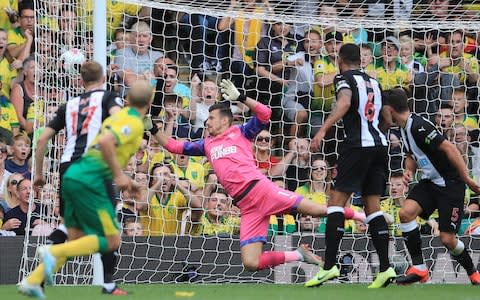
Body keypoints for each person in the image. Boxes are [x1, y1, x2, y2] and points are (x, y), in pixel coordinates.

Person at [146, 78, 364, 272]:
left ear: (225, 120)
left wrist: (242, 97)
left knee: (318, 211)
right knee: (251, 263)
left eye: (211, 118)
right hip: (246, 206)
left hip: (260, 190)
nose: (207, 121)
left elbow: (265, 114)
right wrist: (152, 129)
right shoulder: (206, 144)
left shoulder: (241, 132)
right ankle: (298, 255)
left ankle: (364, 217)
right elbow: (174, 146)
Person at [18, 80, 153, 298]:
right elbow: (108, 142)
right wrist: (119, 175)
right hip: (91, 181)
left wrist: (126, 179)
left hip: (73, 175)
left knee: (76, 235)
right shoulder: (133, 122)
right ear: (150, 101)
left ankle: (33, 281)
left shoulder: (118, 117)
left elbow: (101, 145)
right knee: (112, 240)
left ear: (127, 99)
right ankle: (54, 251)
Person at [32, 61, 126, 295]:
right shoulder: (108, 97)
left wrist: (40, 174)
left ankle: (39, 278)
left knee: (69, 226)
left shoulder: (69, 104)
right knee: (108, 224)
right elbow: (119, 119)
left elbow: (42, 139)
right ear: (103, 78)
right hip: (92, 167)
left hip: (67, 168)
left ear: (81, 81)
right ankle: (108, 284)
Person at [307, 43, 395, 288]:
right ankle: (386, 269)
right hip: (380, 146)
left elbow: (344, 103)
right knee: (372, 207)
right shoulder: (375, 82)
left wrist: (323, 129)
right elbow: (387, 117)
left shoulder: (343, 78)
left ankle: (329, 266)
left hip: (357, 146)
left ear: (340, 59)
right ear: (361, 60)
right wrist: (378, 134)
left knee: (335, 204)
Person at [382, 88, 480, 285]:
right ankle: (419, 269)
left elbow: (450, 148)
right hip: (430, 181)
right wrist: (408, 171)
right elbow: (411, 155)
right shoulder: (402, 127)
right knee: (405, 213)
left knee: (447, 239)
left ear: (389, 109)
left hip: (451, 184)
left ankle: (472, 272)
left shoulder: (419, 126)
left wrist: (467, 180)